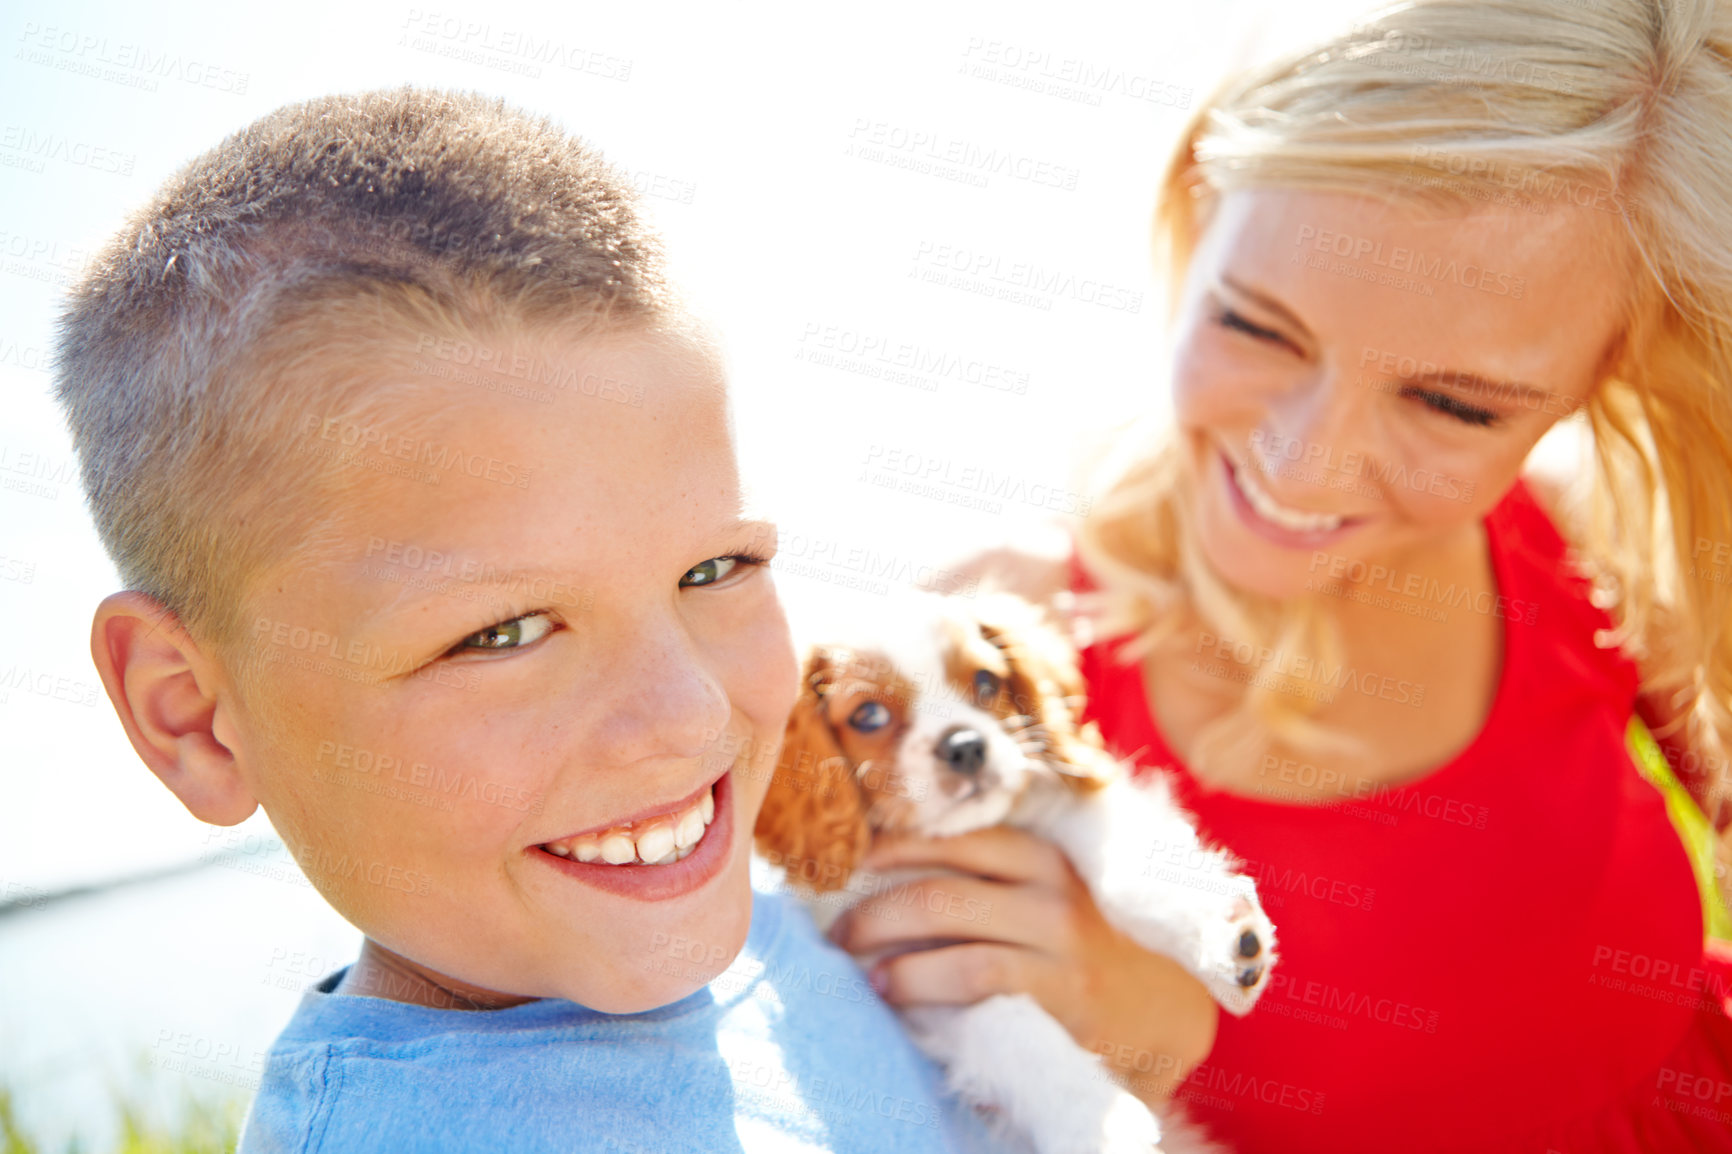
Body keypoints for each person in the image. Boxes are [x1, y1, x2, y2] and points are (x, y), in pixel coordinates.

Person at [823, 1, 1732, 1150]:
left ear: (1607, 372)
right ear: (1196, 214)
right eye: (1257, 326)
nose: (1302, 462)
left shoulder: (1586, 545)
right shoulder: (993, 656)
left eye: (1451, 403)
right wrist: (1149, 1056)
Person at [53, 87, 1003, 1153]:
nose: (686, 715)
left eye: (715, 566)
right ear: (193, 716)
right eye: (501, 632)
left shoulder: (826, 938)